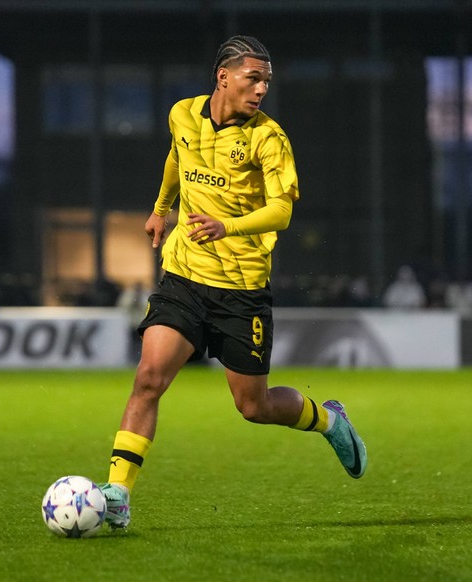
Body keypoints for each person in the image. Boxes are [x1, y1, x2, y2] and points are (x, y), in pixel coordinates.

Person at [98, 35, 367, 529]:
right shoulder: (182, 113)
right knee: (149, 377)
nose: (262, 88)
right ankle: (117, 495)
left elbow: (282, 211)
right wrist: (161, 210)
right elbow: (177, 158)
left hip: (240, 290)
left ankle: (330, 420)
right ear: (223, 76)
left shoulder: (269, 138)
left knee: (254, 405)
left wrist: (229, 226)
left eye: (266, 80)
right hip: (183, 275)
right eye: (253, 77)